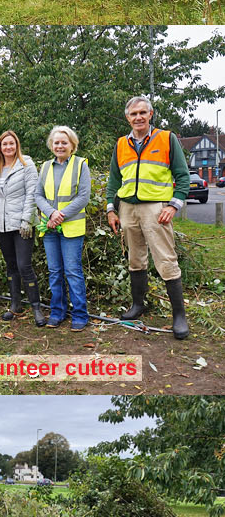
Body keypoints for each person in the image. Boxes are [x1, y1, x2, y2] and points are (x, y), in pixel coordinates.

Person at [106, 93, 191, 338]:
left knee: (166, 259)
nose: (138, 117)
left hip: (156, 209)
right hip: (127, 208)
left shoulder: (166, 138)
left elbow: (183, 176)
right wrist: (111, 209)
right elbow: (114, 180)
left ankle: (179, 316)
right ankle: (138, 305)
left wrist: (173, 206)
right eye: (134, 114)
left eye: (143, 112)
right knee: (136, 259)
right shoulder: (121, 144)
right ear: (127, 118)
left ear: (150, 114)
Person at [35, 127, 91, 330]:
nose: (60, 146)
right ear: (52, 145)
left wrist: (60, 215)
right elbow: (38, 195)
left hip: (71, 229)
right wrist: (51, 213)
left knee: (73, 271)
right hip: (49, 228)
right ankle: (57, 312)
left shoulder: (80, 164)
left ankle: (79, 314)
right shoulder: (45, 167)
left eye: (64, 143)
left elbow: (84, 197)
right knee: (55, 272)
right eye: (56, 143)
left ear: (72, 145)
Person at [0, 131, 46, 326]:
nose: (8, 147)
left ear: (17, 145)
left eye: (11, 144)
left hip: (22, 224)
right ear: (0, 147)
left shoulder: (26, 165)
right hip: (1, 225)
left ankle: (36, 307)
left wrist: (26, 220)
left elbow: (33, 193)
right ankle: (15, 305)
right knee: (11, 265)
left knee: (24, 265)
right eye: (4, 144)